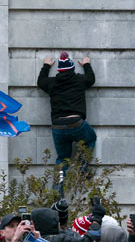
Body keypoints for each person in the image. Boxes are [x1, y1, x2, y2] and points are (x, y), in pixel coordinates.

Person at [37, 53, 97, 181]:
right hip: (76, 124)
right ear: (72, 69)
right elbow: (91, 79)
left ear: (59, 70)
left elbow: (40, 82)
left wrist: (46, 66)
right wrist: (86, 64)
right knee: (91, 138)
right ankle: (82, 169)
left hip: (58, 126)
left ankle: (58, 190)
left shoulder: (52, 83)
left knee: (62, 159)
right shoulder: (79, 80)